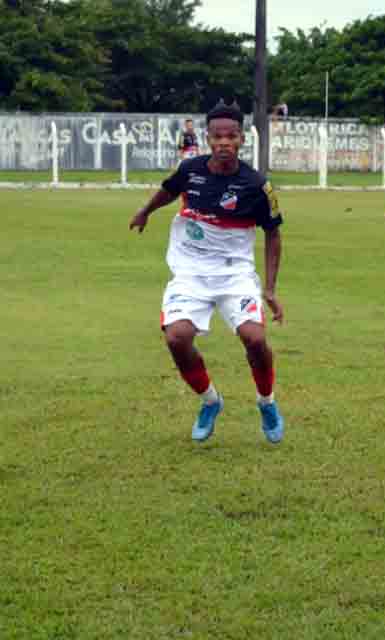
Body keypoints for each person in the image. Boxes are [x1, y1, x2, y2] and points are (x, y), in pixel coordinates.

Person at [129, 99, 286, 444]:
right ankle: (210, 401)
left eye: (231, 136)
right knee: (176, 338)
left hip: (235, 276)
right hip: (190, 273)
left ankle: (267, 402)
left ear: (242, 139)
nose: (224, 142)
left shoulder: (258, 185)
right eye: (217, 136)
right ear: (208, 137)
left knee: (255, 340)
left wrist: (270, 289)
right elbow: (169, 191)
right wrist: (145, 211)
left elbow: (273, 233)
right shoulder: (191, 169)